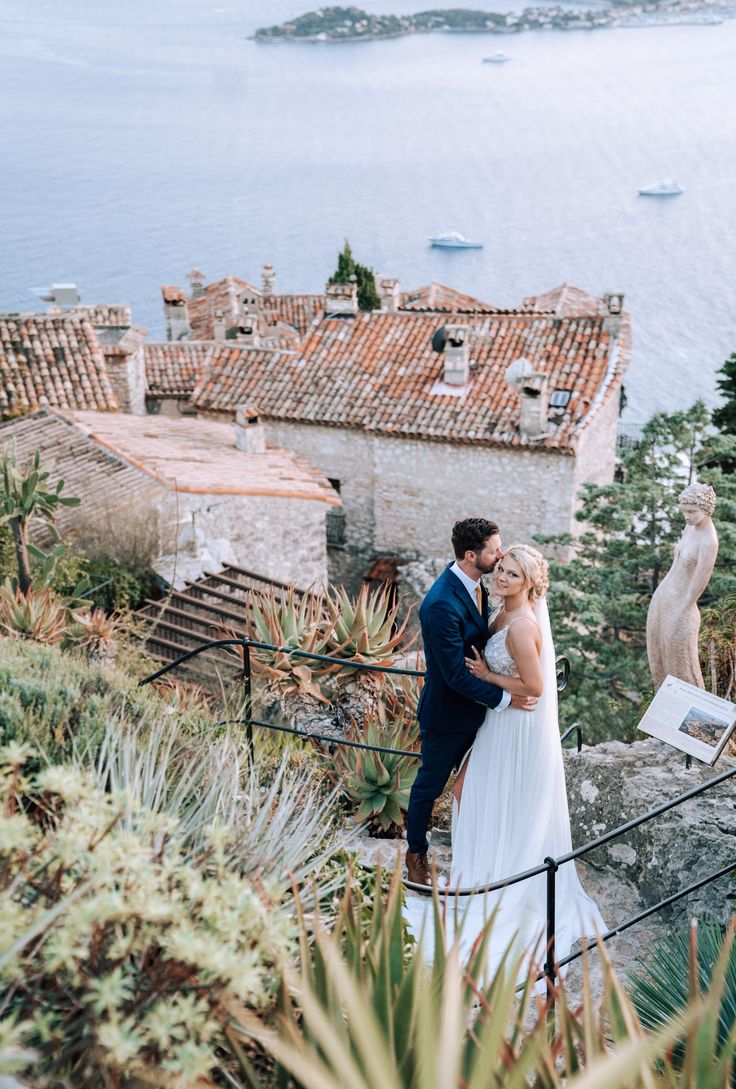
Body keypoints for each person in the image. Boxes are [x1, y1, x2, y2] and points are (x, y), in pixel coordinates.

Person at [446, 543, 605, 977]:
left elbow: (535, 686)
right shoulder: (500, 612)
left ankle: (501, 882)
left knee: (488, 796)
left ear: (530, 584)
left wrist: (486, 676)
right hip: (498, 722)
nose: (501, 577)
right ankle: (480, 875)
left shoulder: (521, 626)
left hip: (516, 726)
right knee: (469, 791)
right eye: (501, 568)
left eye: (513, 574)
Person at [405, 518, 536, 886]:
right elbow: (455, 676)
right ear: (470, 555)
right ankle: (416, 854)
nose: (501, 555)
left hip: (482, 717)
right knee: (429, 788)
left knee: (474, 787)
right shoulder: (440, 605)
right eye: (495, 550)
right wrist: (507, 698)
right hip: (448, 717)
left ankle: (481, 854)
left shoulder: (477, 584)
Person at [646, 483, 719, 690]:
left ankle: (697, 721)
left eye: (692, 512)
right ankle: (665, 713)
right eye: (684, 511)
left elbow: (700, 581)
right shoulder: (690, 527)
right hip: (663, 599)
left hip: (682, 607)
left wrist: (682, 608)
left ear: (706, 509)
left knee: (682, 666)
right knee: (658, 658)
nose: (687, 516)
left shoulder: (709, 541)